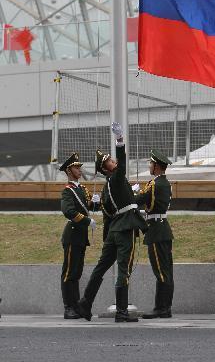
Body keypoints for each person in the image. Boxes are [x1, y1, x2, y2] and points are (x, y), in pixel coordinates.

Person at [77, 122, 147, 323]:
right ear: (105, 168)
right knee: (124, 268)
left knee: (101, 267)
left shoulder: (108, 187)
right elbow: (123, 161)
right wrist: (119, 140)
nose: (113, 161)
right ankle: (122, 312)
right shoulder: (115, 178)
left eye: (111, 159)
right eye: (109, 161)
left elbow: (108, 212)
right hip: (125, 229)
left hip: (114, 231)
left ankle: (85, 303)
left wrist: (132, 196)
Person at [133, 149, 174, 319]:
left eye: (151, 163)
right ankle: (164, 307)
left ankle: (162, 308)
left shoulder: (156, 184)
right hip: (162, 228)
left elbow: (137, 201)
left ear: (157, 166)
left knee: (161, 271)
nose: (149, 166)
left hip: (157, 230)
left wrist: (133, 192)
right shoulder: (164, 183)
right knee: (165, 271)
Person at [60, 152, 99, 319]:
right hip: (73, 235)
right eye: (76, 167)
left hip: (81, 237)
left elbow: (89, 206)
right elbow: (68, 211)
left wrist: (96, 202)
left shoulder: (81, 188)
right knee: (69, 273)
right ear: (69, 170)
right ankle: (69, 306)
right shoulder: (68, 191)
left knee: (76, 273)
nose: (79, 169)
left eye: (79, 167)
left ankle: (76, 306)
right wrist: (86, 221)